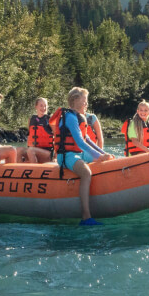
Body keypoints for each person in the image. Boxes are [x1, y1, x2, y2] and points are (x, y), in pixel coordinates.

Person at [51, 87, 114, 225]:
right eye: (84, 100)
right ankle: (86, 217)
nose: (86, 103)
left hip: (77, 153)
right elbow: (79, 142)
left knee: (103, 160)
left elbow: (87, 140)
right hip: (66, 155)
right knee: (86, 173)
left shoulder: (79, 117)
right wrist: (98, 156)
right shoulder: (70, 117)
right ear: (75, 100)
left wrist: (103, 154)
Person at [26, 97, 54, 163]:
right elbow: (29, 136)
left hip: (47, 152)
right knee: (19, 150)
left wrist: (56, 154)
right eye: (41, 105)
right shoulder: (31, 119)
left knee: (30, 151)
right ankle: (18, 171)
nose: (43, 108)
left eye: (45, 106)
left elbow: (57, 136)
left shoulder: (50, 120)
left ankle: (35, 171)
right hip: (34, 150)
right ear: (36, 106)